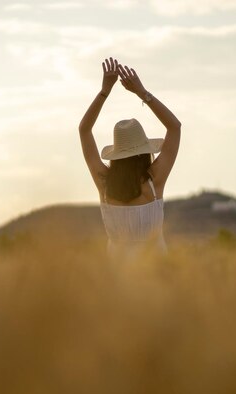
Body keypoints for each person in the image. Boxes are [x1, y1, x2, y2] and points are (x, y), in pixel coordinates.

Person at [78, 57, 181, 257]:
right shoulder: (155, 180)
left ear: (116, 155)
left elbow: (84, 130)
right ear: (144, 152)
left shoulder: (104, 183)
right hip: (156, 273)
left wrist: (104, 91)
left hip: (117, 277)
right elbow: (174, 127)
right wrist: (142, 92)